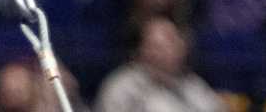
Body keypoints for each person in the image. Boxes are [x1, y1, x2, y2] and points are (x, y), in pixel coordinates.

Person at [94, 19, 223, 112]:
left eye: (172, 43)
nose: (164, 52)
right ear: (143, 50)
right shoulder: (122, 87)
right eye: (157, 46)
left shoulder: (193, 86)